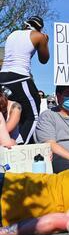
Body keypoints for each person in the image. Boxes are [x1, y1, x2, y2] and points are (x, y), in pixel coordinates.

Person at [0, 16, 49, 144]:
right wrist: (45, 41)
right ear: (40, 28)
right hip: (19, 77)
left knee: (11, 112)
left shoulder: (13, 34)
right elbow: (44, 59)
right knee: (33, 116)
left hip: (3, 78)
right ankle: (21, 148)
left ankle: (7, 140)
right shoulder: (39, 36)